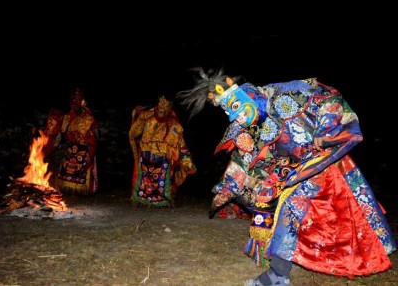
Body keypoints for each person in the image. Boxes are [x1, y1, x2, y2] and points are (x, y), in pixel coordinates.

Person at [176, 68, 396, 286]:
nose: (235, 117)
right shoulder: (248, 124)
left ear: (245, 95)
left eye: (235, 108)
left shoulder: (286, 92)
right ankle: (285, 268)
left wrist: (325, 130)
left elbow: (327, 94)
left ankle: (279, 275)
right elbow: (245, 159)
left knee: (299, 211)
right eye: (227, 112)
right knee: (294, 213)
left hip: (322, 163)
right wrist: (226, 190)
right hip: (292, 170)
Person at [129, 96, 197, 207]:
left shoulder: (175, 125)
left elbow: (181, 145)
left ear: (171, 107)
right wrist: (136, 115)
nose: (162, 108)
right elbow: (134, 134)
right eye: (160, 104)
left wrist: (186, 159)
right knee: (144, 181)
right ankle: (142, 200)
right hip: (145, 155)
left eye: (166, 105)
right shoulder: (146, 116)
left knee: (162, 181)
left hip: (163, 159)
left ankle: (161, 201)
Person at [45, 88, 99, 195]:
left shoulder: (89, 118)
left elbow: (94, 136)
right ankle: (67, 189)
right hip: (71, 150)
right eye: (72, 99)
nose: (74, 102)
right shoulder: (67, 117)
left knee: (84, 168)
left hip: (85, 149)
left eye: (77, 99)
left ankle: (84, 190)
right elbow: (61, 134)